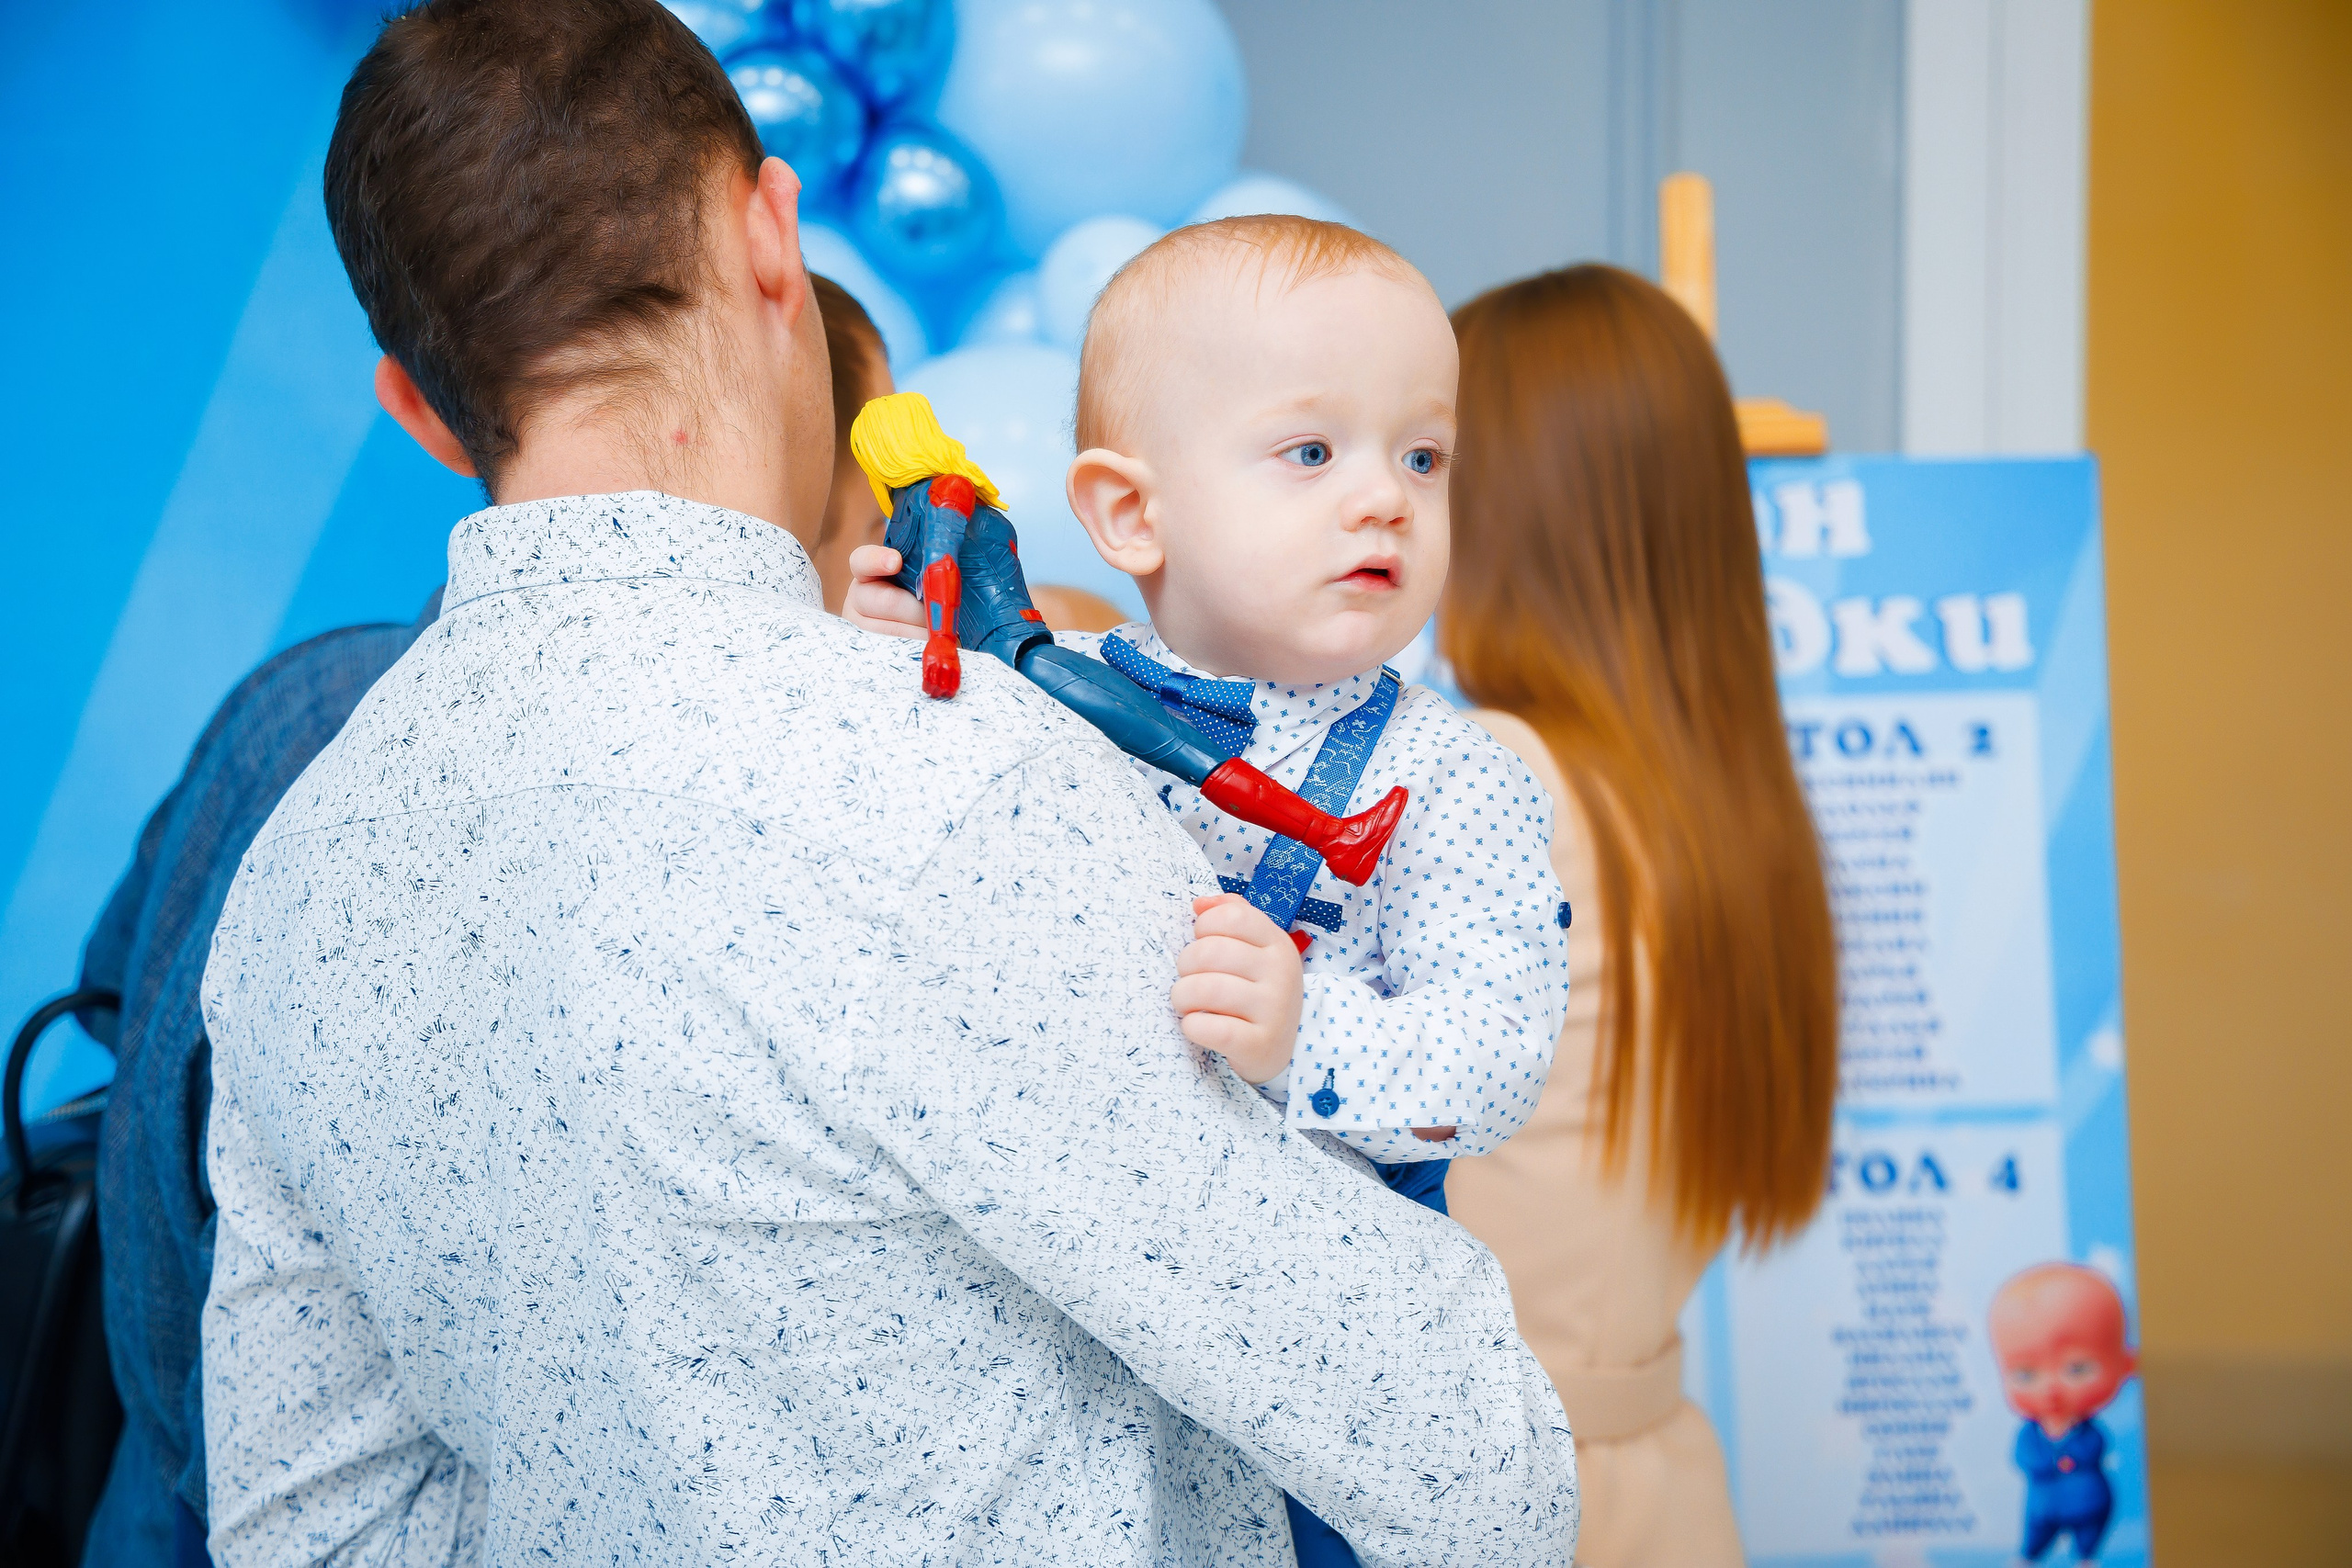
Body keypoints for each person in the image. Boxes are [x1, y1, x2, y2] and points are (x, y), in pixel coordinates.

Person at [197, 6, 1577, 1566]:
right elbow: (1474, 1463)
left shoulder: (297, 874)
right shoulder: (961, 783)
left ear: (417, 405)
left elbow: (305, 1525)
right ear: (771, 236)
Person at [848, 218, 1570, 1567]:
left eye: (1423, 456)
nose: (1386, 498)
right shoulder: (1043, 696)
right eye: (1313, 452)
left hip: (1330, 1339)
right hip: (1081, 1315)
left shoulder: (1454, 778)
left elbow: (1496, 1056)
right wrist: (896, 660)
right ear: (1132, 514)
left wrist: (1308, 1036)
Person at [1438, 264, 1840, 1566]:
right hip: (1653, 1477)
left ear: (1506, 503)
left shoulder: (1502, 774)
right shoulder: (1720, 802)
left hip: (1493, 1493)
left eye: (1429, 457)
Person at [1988, 1263, 2136, 1562]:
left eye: (2077, 1369)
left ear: (2126, 1365)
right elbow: (2024, 1457)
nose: (2051, 1390)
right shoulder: (2031, 1435)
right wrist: (2056, 1462)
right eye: (2026, 1374)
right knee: (2035, 1539)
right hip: (2044, 1506)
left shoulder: (2088, 1432)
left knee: (2089, 1541)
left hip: (2089, 1502)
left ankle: (2086, 1557)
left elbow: (2093, 1448)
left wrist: (2071, 1460)